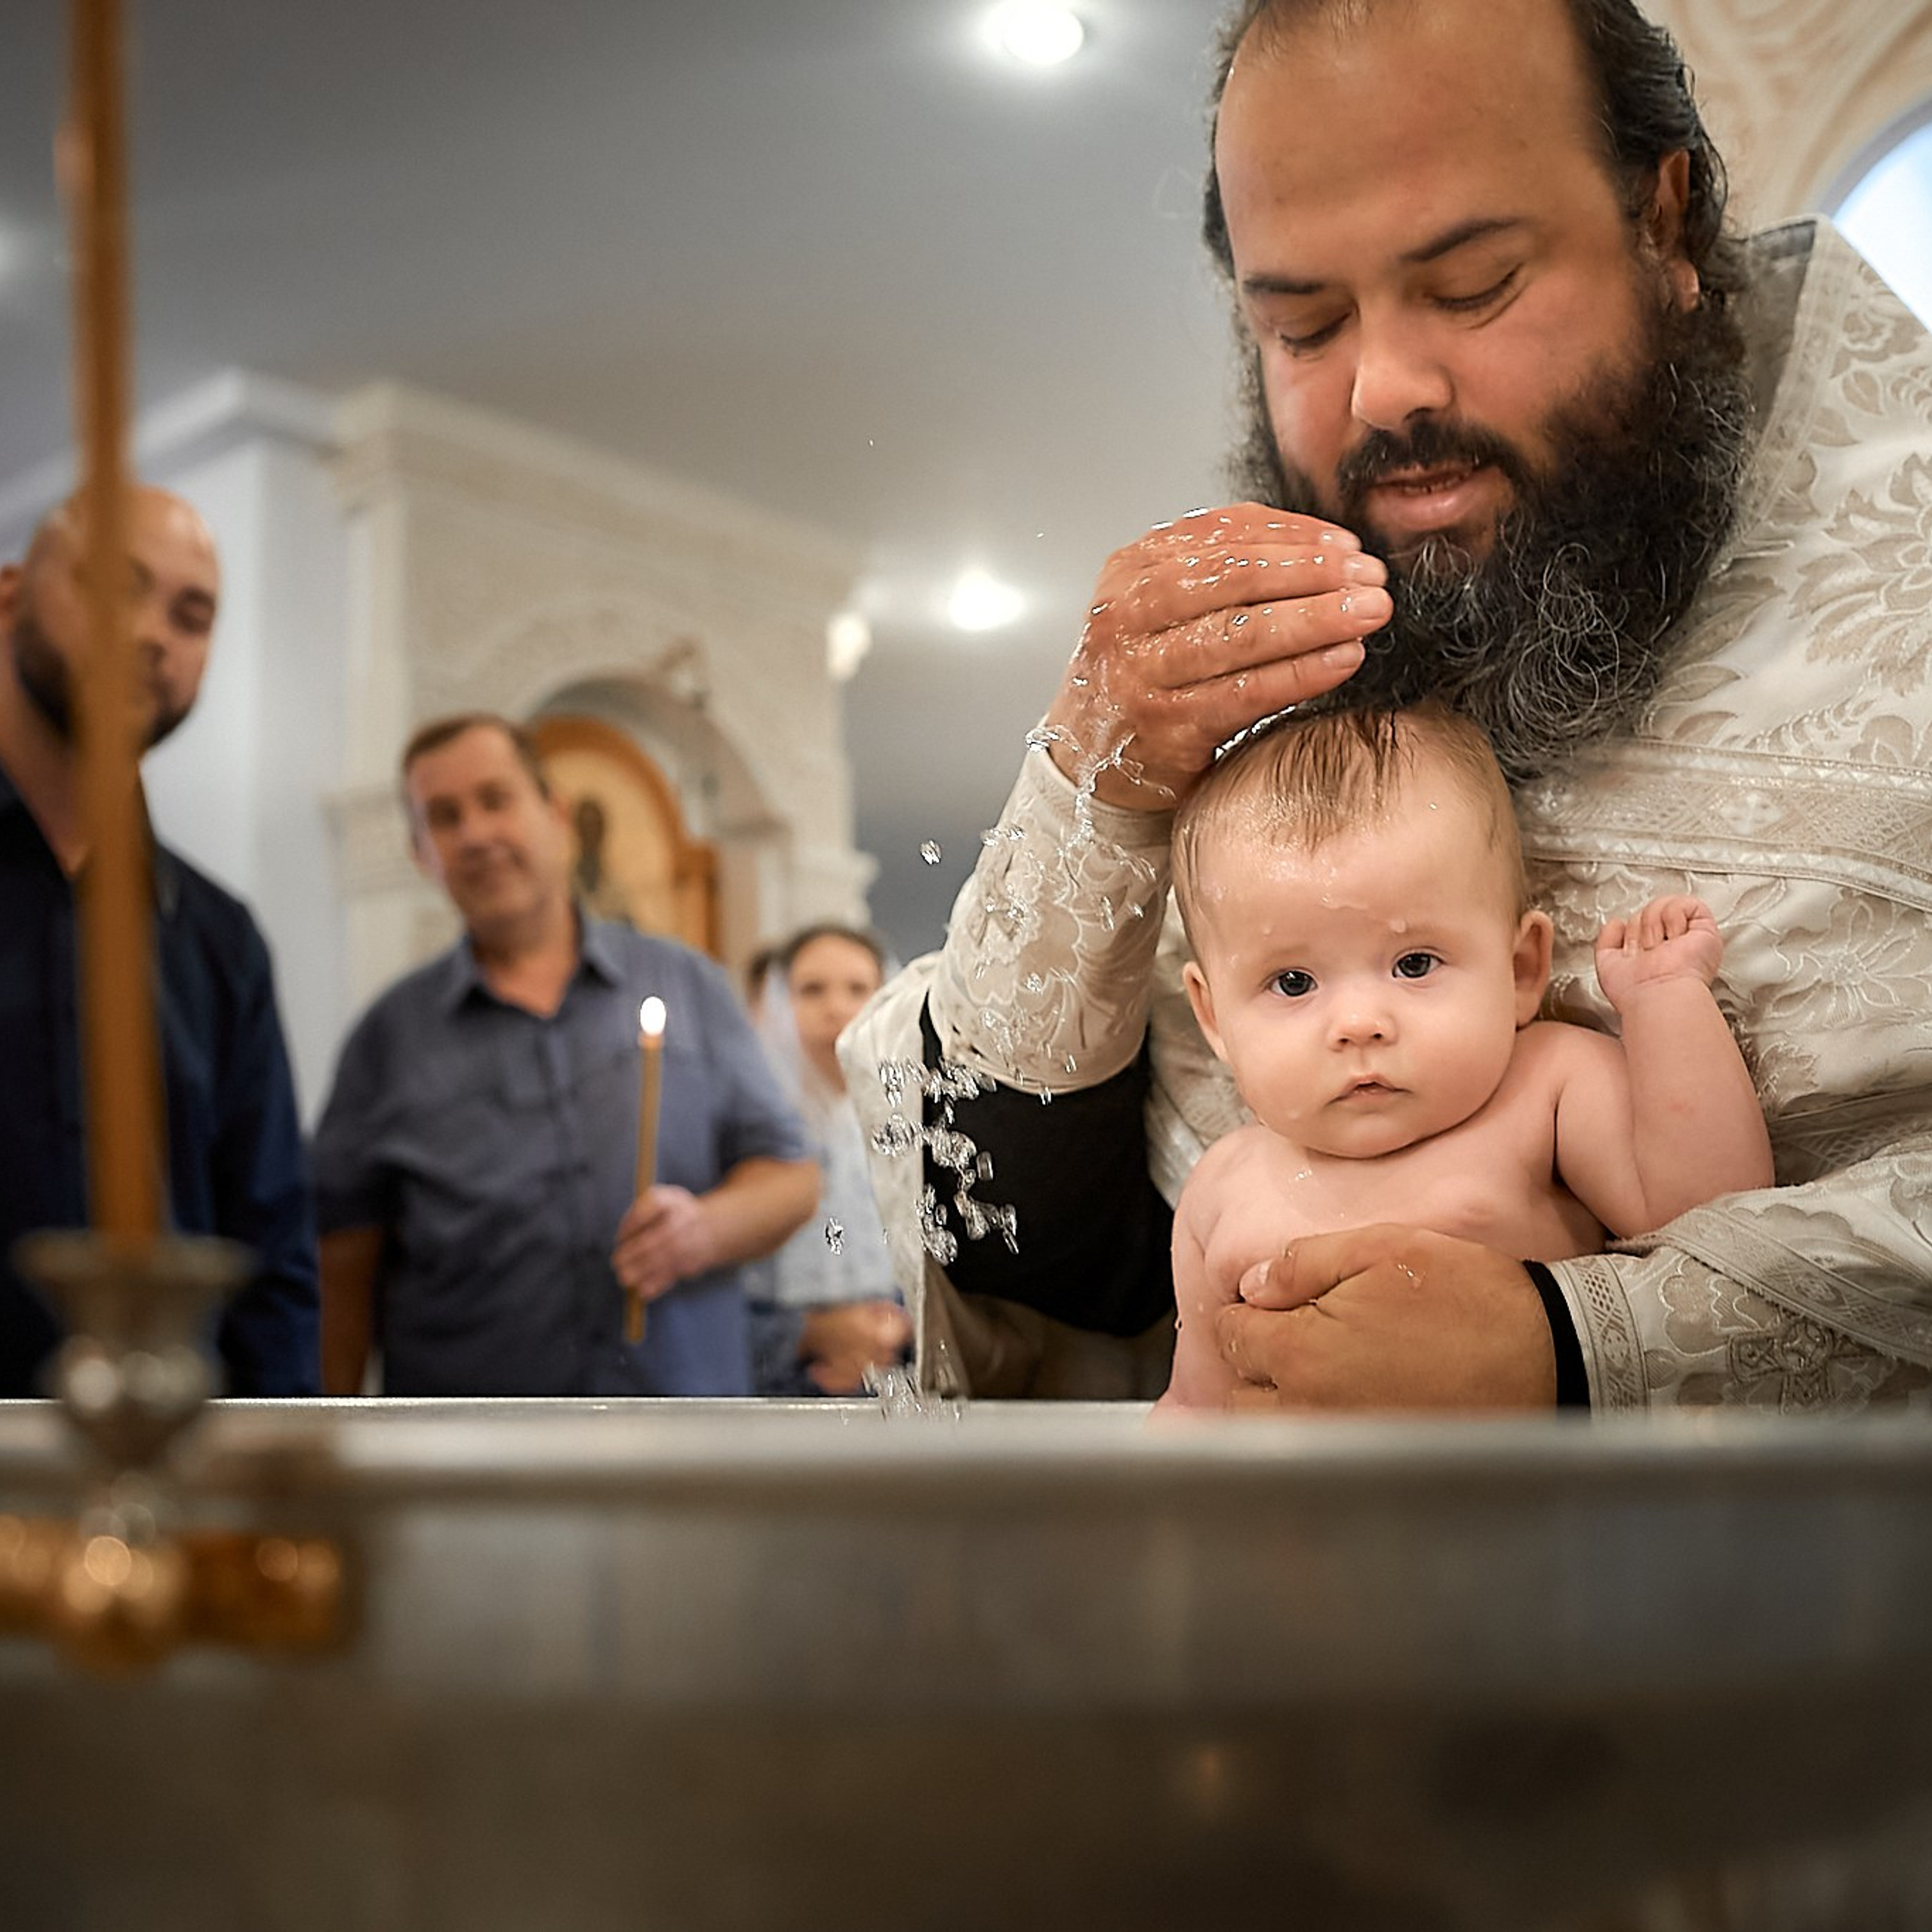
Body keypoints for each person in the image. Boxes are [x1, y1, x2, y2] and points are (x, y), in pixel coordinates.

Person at [844, 0, 1932, 1411]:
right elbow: (1049, 1263)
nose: (1384, 393)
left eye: (1473, 284)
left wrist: (1572, 1335)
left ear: (1665, 224)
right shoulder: (1293, 659)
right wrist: (1093, 800)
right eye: (1301, 325)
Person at [1160, 704, 1771, 1410]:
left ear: (1520, 970)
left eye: (1415, 963)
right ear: (1214, 1016)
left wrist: (1667, 999)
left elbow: (1714, 1217)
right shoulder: (1220, 1187)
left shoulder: (1545, 1086)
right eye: (1293, 983)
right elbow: (1193, 1408)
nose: (1360, 1024)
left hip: (1534, 1506)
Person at [312, 713, 817, 1397]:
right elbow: (342, 1268)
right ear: (421, 853)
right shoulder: (389, 1038)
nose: (477, 835)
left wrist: (704, 1230)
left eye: (496, 800)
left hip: (680, 1439)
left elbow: (791, 1177)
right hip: (474, 1461)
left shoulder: (687, 984)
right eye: (444, 817)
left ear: (554, 813)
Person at [0, 487, 318, 1397]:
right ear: (10, 596)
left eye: (192, 615)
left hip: (166, 1489)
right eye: (116, 587)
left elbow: (272, 1260)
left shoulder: (219, 938)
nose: (151, 634)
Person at [743, 924, 913, 1396]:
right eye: (811, 990)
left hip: (896, 1378)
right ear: (778, 1004)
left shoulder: (914, 1129)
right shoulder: (747, 1136)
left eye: (858, 989)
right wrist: (813, 1335)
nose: (836, 1008)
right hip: (774, 1388)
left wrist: (894, 1330)